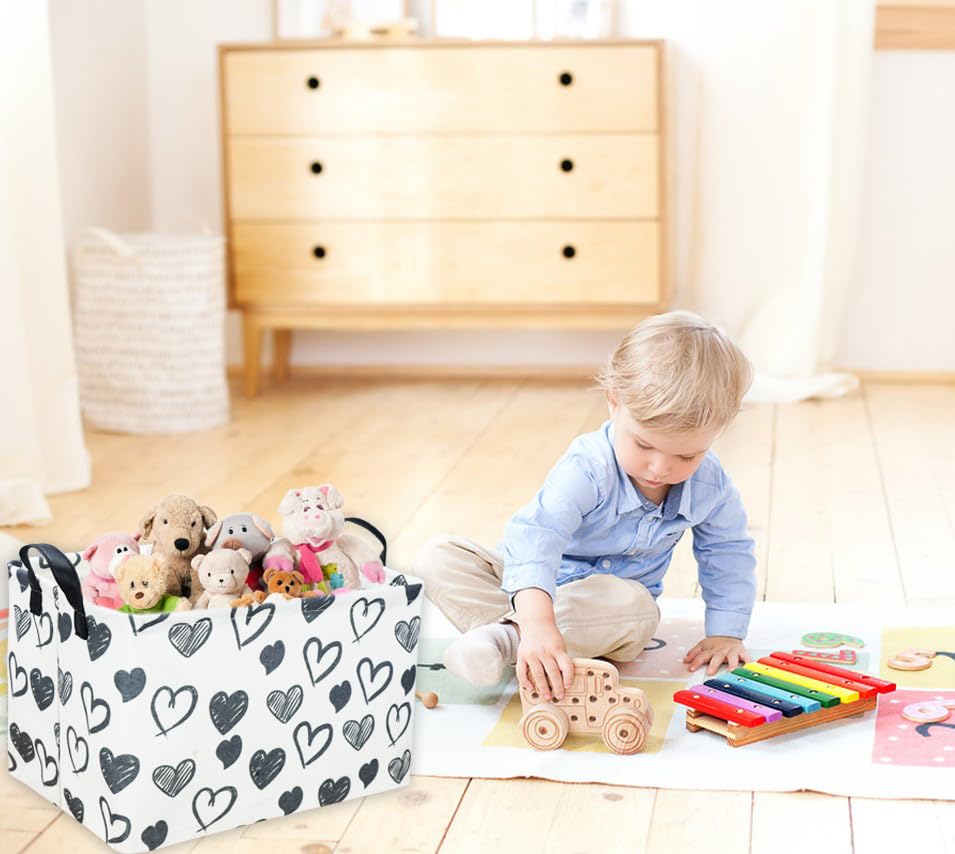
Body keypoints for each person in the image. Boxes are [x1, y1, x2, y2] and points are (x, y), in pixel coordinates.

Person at [413, 310, 757, 701]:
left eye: (687, 456)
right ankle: (525, 640)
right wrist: (538, 620)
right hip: (536, 591)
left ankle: (505, 641)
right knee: (437, 557)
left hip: (608, 615)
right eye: (643, 444)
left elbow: (728, 551)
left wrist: (726, 632)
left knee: (637, 608)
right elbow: (537, 537)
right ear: (614, 403)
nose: (660, 468)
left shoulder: (710, 484)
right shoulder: (588, 467)